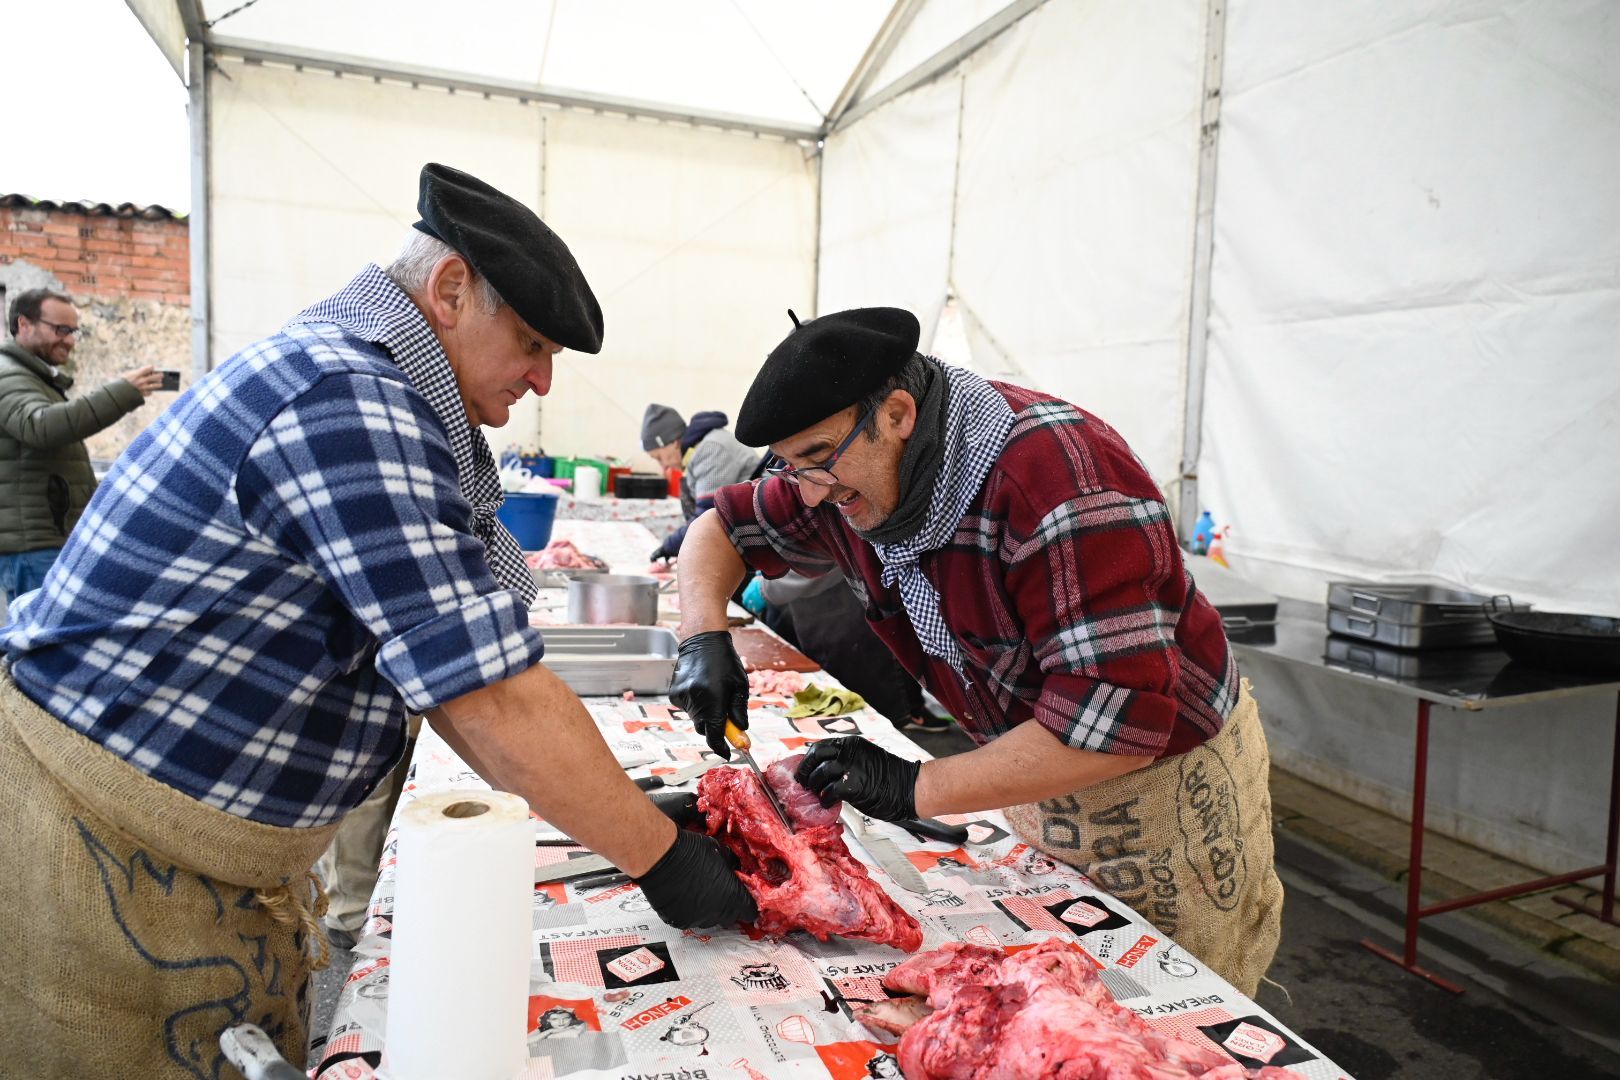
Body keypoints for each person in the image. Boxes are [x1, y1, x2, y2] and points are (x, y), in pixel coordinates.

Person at [0, 163, 754, 1077]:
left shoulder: (361, 377)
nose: (543, 380)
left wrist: (624, 816)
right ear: (447, 292)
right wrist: (659, 857)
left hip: (176, 847)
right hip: (99, 855)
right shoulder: (346, 397)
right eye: (530, 343)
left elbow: (451, 668)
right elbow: (489, 698)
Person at [667, 307, 1282, 996]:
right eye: (792, 467)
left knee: (1160, 1018)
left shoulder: (1060, 484)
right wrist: (703, 636)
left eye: (817, 461)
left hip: (1159, 788)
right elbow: (720, 527)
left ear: (898, 413)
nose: (810, 490)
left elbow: (1119, 731)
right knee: (1046, 1003)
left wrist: (914, 786)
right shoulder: (840, 473)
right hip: (1033, 758)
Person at [0, 288, 163, 602]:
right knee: (43, 643)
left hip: (46, 540)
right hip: (33, 545)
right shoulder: (8, 376)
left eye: (73, 331)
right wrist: (121, 392)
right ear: (24, 324)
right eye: (61, 330)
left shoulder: (33, 378)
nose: (70, 340)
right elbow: (41, 426)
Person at [641, 403, 759, 562]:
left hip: (762, 540)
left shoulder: (711, 448)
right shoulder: (699, 449)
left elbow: (708, 517)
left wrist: (670, 546)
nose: (663, 466)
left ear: (673, 442)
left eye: (659, 457)